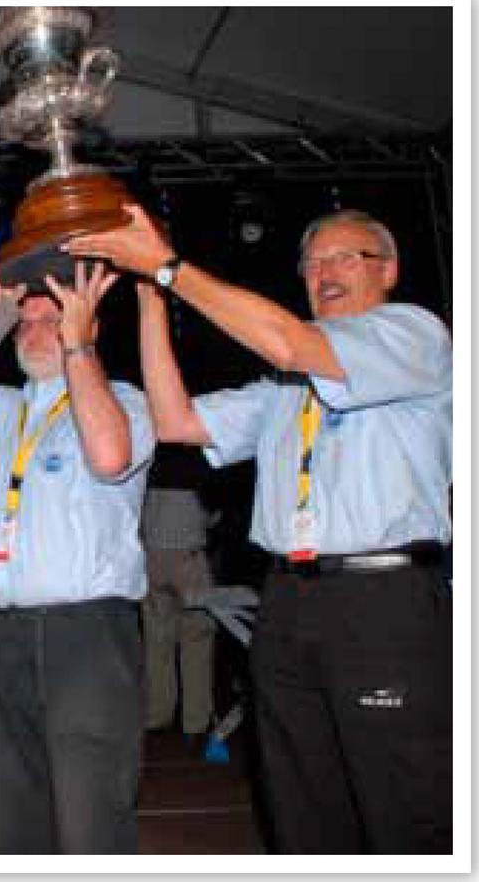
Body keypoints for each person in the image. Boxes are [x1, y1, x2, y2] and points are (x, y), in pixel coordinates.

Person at [65, 207, 452, 853]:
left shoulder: (414, 335)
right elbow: (175, 422)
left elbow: (287, 340)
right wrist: (152, 299)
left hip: (383, 600)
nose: (323, 272)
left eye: (343, 258)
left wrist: (167, 265)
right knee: (300, 803)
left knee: (404, 803)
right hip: (288, 601)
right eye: (311, 262)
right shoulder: (285, 384)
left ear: (388, 270)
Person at [0, 260, 155, 853]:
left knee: (89, 820)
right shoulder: (0, 408)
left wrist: (78, 350)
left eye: (54, 321)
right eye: (28, 324)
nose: (35, 332)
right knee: (9, 821)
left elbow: (108, 455)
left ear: (88, 330)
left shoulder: (125, 400)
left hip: (88, 635)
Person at [140, 470, 217, 746]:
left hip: (151, 555)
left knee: (156, 641)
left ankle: (157, 717)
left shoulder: (149, 454)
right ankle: (194, 722)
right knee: (196, 640)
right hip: (189, 556)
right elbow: (213, 513)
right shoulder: (198, 457)